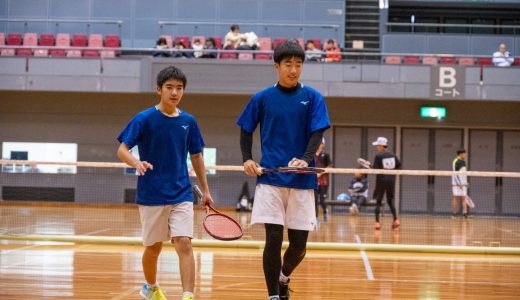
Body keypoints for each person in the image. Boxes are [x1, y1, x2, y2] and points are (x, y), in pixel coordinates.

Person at [236, 41, 330, 300]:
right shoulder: (263, 98)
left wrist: (305, 158)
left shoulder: (313, 97)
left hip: (301, 180)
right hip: (270, 178)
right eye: (288, 64)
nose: (293, 69)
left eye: (298, 65)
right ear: (276, 66)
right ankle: (273, 296)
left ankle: (284, 277)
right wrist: (247, 159)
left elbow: (317, 131)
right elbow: (246, 129)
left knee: (299, 246)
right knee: (274, 238)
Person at [116, 66, 214, 300]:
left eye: (179, 88)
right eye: (169, 87)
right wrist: (136, 163)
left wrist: (206, 192)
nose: (174, 92)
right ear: (158, 89)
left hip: (181, 192)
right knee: (153, 248)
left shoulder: (189, 121)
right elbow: (122, 149)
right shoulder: (144, 118)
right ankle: (150, 287)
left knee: (184, 244)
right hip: (152, 194)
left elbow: (197, 156)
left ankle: (187, 295)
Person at [371, 137, 401, 230]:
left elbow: (375, 170)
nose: (377, 147)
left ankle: (377, 223)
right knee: (390, 200)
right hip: (391, 181)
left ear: (381, 145)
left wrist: (369, 166)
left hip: (381, 181)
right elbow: (399, 167)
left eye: (377, 145)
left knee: (378, 201)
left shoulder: (378, 156)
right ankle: (396, 219)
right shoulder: (393, 155)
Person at [314, 138, 332, 221]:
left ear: (323, 145)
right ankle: (315, 218)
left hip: (324, 181)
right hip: (314, 181)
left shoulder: (326, 155)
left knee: (321, 200)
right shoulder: (312, 154)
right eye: (318, 142)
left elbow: (329, 166)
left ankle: (325, 210)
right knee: (314, 200)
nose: (319, 144)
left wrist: (320, 173)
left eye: (321, 143)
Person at [452, 148, 469, 218]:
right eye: (464, 153)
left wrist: (465, 182)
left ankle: (465, 214)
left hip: (463, 184)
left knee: (463, 198)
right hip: (457, 184)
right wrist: (458, 183)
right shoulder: (455, 161)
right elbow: (454, 173)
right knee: (456, 198)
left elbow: (463, 173)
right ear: (460, 154)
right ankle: (454, 214)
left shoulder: (463, 162)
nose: (465, 155)